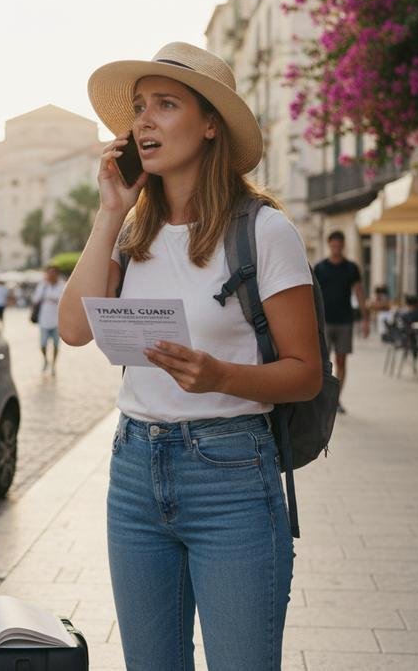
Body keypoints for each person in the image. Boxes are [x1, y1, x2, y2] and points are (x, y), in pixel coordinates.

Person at [58, 42, 320, 669]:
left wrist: (220, 375)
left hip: (231, 473)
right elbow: (72, 329)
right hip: (134, 470)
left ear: (210, 126)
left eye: (165, 105)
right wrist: (109, 211)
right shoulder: (130, 230)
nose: (143, 122)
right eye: (140, 108)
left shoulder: (264, 230)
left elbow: (306, 373)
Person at [314, 230, 367, 413]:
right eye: (333, 244)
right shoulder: (320, 268)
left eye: (339, 244)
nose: (336, 247)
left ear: (343, 245)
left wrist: (365, 318)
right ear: (329, 245)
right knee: (323, 362)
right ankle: (322, 399)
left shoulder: (351, 268)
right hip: (324, 322)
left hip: (345, 321)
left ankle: (336, 399)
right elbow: (312, 295)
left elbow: (359, 292)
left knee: (341, 361)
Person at [31, 265, 66, 375]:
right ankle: (46, 360)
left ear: (57, 274)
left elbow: (64, 300)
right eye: (49, 273)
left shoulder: (62, 285)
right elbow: (35, 299)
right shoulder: (43, 286)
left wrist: (52, 298)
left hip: (57, 321)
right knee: (42, 344)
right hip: (44, 320)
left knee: (56, 345)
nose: (50, 275)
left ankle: (54, 365)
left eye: (53, 273)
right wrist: (44, 291)